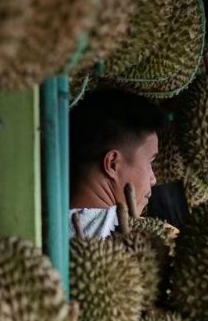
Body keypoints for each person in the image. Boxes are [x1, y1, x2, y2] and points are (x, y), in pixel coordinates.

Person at [69, 89, 166, 239]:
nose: (153, 179)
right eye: (150, 162)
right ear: (113, 164)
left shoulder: (44, 227)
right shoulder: (148, 239)